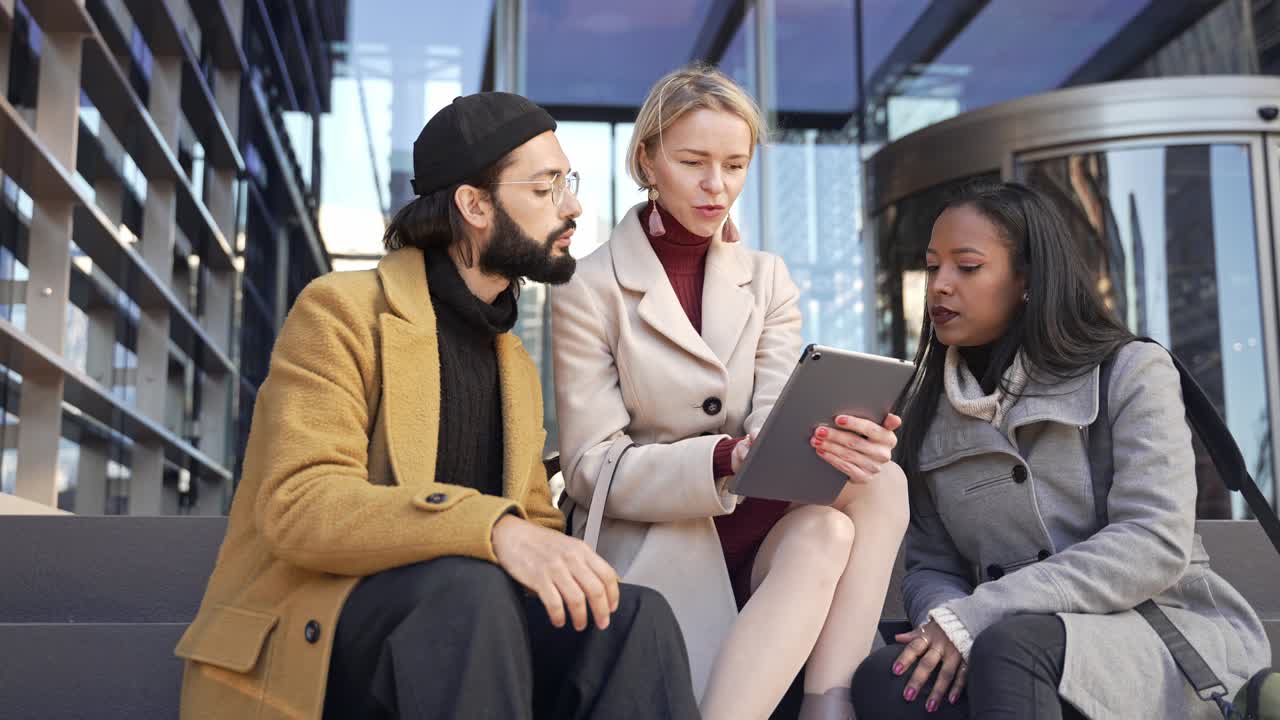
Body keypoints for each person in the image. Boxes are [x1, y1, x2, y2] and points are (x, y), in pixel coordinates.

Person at [174, 92, 700, 720]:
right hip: (325, 639)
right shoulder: (341, 309)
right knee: (467, 591)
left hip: (470, 643)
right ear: (474, 205)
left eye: (570, 183)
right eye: (546, 188)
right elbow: (301, 505)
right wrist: (490, 528)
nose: (572, 206)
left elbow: (533, 521)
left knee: (631, 617)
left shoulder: (513, 361)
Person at [551, 64, 908, 720]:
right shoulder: (586, 287)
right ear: (648, 160)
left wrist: (841, 437)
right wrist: (722, 458)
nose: (719, 186)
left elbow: (776, 408)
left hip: (757, 512)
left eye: (736, 165)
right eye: (694, 162)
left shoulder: (767, 278)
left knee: (879, 481)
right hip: (665, 527)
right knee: (827, 531)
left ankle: (830, 703)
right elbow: (588, 467)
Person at [849, 181, 1271, 719]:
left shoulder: (1129, 371)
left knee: (1013, 649)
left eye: (968, 267)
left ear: (1027, 278)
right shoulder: (923, 410)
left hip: (1157, 630)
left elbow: (1154, 541)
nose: (940, 286)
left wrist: (975, 618)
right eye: (933, 268)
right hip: (1005, 636)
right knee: (889, 678)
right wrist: (943, 623)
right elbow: (932, 563)